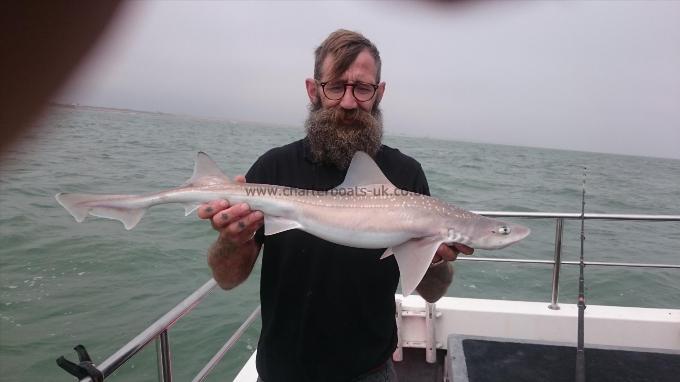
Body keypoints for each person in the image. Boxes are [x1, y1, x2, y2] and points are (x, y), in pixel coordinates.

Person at [198, 29, 473, 382]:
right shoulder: (273, 169)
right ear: (314, 90)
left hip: (370, 371)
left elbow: (433, 291)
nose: (348, 102)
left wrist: (433, 253)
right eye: (336, 86)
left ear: (379, 92)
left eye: (362, 88)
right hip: (284, 372)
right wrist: (231, 238)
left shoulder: (405, 175)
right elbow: (227, 278)